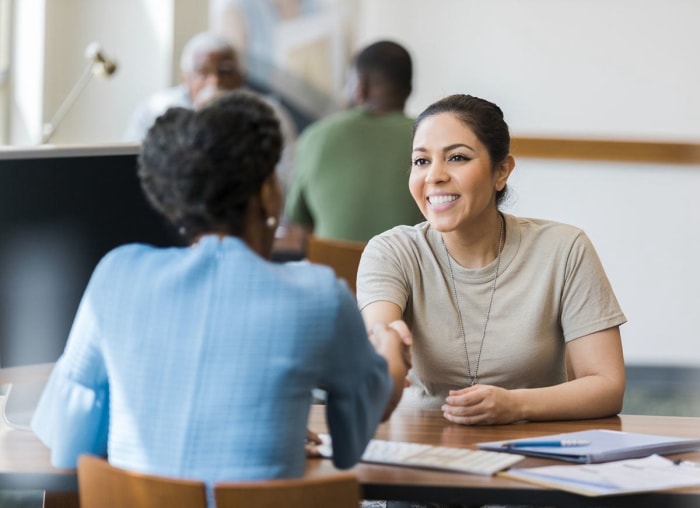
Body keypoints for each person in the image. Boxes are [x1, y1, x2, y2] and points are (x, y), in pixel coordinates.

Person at [31, 91, 411, 502]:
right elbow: (354, 436)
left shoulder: (117, 273)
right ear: (267, 194)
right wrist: (391, 352)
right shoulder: (318, 296)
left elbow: (69, 441)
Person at [358, 93, 626, 425]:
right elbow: (381, 333)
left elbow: (606, 385)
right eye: (421, 161)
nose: (434, 176)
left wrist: (515, 405)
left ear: (501, 171)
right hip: (420, 444)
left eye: (457, 157)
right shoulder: (391, 250)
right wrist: (387, 346)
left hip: (531, 451)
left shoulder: (565, 248)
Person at [284, 40, 424, 243]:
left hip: (334, 270)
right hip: (405, 272)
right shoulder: (430, 138)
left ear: (360, 86)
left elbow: (298, 221)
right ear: (409, 88)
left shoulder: (316, 137)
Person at [123, 31, 297, 194]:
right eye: (202, 72)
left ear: (242, 77)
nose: (214, 81)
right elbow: (133, 168)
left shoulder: (268, 114)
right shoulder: (155, 110)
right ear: (185, 78)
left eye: (225, 71)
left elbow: (288, 175)